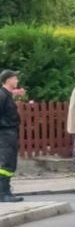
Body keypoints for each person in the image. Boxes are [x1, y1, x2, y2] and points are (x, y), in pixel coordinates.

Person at [0, 69, 24, 203]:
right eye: (15, 78)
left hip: (10, 132)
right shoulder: (2, 95)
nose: (17, 81)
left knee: (10, 163)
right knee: (6, 163)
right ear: (8, 80)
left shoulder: (7, 95)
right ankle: (3, 193)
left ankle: (6, 191)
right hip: (5, 133)